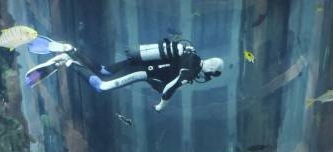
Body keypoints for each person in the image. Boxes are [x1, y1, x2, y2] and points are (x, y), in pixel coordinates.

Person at [25, 36, 224, 111]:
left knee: (102, 70)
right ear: (212, 71)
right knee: (102, 86)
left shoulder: (190, 53)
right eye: (212, 75)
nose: (208, 78)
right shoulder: (192, 68)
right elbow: (172, 86)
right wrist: (162, 105)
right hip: (141, 71)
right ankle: (66, 61)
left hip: (138, 61)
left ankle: (71, 49)